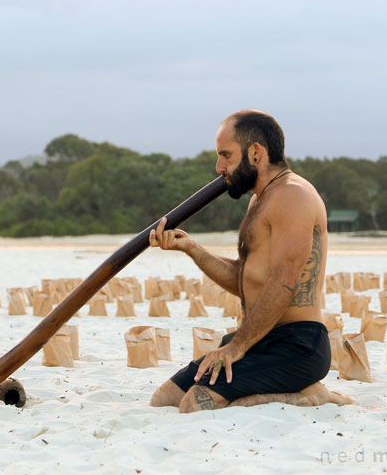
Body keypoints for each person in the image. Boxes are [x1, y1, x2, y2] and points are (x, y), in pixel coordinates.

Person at [148, 109, 351, 412]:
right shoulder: (261, 199)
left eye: (226, 156)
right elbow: (247, 279)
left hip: (297, 345)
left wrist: (237, 347)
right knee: (164, 399)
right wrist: (192, 249)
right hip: (260, 338)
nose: (219, 167)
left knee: (194, 404)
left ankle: (311, 395)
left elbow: (284, 283)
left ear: (255, 153)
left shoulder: (293, 195)